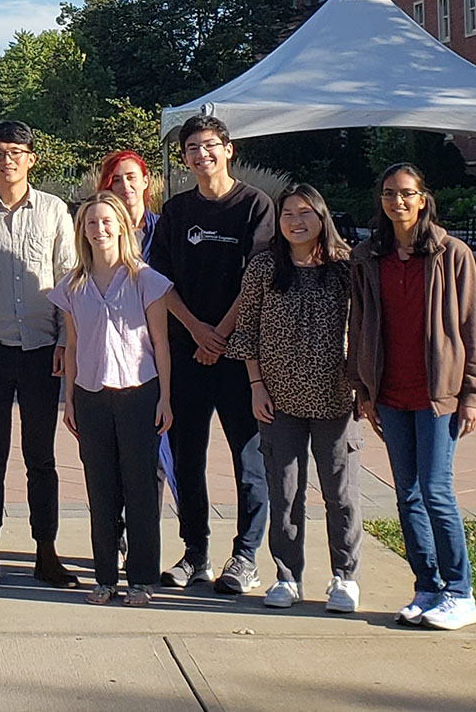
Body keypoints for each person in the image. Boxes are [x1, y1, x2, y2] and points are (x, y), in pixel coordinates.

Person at [349, 163, 476, 631]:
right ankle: (427, 587)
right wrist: (362, 387)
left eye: (405, 194)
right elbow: (359, 324)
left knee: (436, 490)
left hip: (438, 391)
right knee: (406, 494)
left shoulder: (452, 254)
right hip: (389, 391)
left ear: (423, 198)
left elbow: (471, 326)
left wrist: (471, 395)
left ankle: (460, 592)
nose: (396, 202)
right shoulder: (368, 255)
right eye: (388, 194)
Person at [149, 115, 273, 594]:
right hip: (187, 352)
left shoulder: (255, 205)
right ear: (184, 159)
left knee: (249, 459)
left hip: (240, 357)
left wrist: (219, 333)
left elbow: (256, 276)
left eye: (209, 146)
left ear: (228, 149)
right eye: (192, 149)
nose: (202, 155)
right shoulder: (176, 211)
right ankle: (194, 553)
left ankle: (245, 556)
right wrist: (196, 330)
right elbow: (160, 282)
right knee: (186, 458)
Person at [0, 120, 79, 591]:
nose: (6, 160)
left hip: (41, 352)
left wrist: (66, 342)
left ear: (31, 157)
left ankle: (46, 551)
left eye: (14, 152)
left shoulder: (53, 212)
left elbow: (68, 280)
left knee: (41, 458)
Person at [226, 184, 362, 613]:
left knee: (340, 494)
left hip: (335, 399)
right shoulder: (265, 267)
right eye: (287, 214)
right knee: (285, 493)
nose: (296, 221)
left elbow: (366, 330)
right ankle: (287, 576)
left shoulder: (346, 269)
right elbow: (245, 329)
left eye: (305, 212)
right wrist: (256, 386)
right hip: (278, 400)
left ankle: (345, 577)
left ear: (322, 217)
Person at [50, 192, 172, 606]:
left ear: (121, 225)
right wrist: (69, 398)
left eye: (106, 222)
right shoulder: (72, 285)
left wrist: (166, 398)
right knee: (100, 488)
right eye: (90, 223)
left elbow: (160, 343)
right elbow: (72, 342)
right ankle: (104, 576)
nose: (99, 230)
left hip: (140, 393)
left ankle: (141, 578)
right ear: (81, 232)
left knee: (139, 487)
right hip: (91, 394)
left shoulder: (146, 280)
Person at [97, 151, 159, 260]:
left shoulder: (163, 227)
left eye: (131, 177)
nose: (125, 185)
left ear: (145, 182)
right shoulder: (103, 231)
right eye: (117, 180)